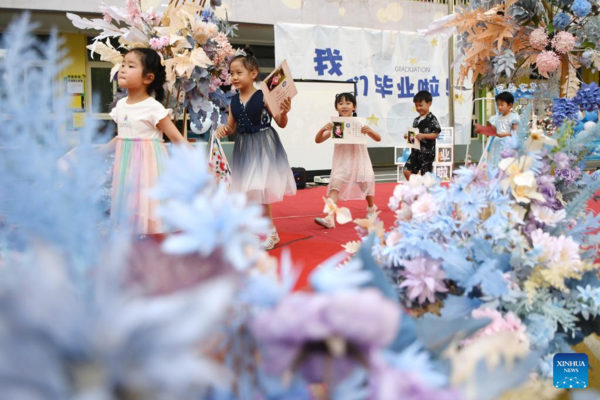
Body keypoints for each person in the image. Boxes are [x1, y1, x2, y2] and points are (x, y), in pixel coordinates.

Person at [216, 48, 296, 250]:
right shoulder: (233, 101)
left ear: (253, 74)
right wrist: (223, 129)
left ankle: (270, 231)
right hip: (244, 147)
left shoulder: (264, 96)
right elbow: (231, 126)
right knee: (249, 192)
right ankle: (254, 230)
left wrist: (284, 111)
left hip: (263, 145)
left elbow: (280, 122)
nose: (234, 77)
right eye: (231, 73)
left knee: (259, 190)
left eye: (238, 72)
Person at [103, 48, 187, 234]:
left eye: (131, 66)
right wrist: (99, 151)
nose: (123, 69)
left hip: (150, 171)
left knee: (151, 214)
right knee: (128, 213)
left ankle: (156, 256)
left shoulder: (153, 108)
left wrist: (200, 165)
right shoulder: (121, 106)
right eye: (123, 64)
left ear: (148, 78)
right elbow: (122, 137)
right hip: (127, 170)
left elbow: (176, 138)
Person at [313, 92, 381, 229]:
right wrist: (322, 129)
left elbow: (378, 138)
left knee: (365, 185)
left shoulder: (360, 124)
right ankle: (329, 218)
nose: (344, 106)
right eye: (341, 103)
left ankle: (371, 208)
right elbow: (318, 140)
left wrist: (369, 131)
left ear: (354, 107)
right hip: (342, 161)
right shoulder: (336, 126)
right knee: (334, 186)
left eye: (348, 103)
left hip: (359, 158)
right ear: (336, 108)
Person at [403, 91, 441, 180]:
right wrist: (408, 136)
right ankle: (416, 189)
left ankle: (425, 192)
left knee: (426, 177)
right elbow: (414, 136)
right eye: (416, 106)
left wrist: (423, 135)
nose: (418, 108)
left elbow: (435, 134)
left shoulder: (432, 119)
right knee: (407, 171)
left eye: (421, 105)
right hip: (415, 152)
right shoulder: (416, 120)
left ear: (429, 104)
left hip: (427, 153)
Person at [484, 91, 520, 169]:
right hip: (496, 144)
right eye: (498, 105)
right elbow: (491, 131)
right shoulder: (495, 118)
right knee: (495, 163)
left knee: (506, 164)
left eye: (502, 105)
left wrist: (505, 134)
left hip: (507, 144)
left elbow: (516, 133)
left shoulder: (513, 117)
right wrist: (482, 130)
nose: (499, 107)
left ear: (510, 105)